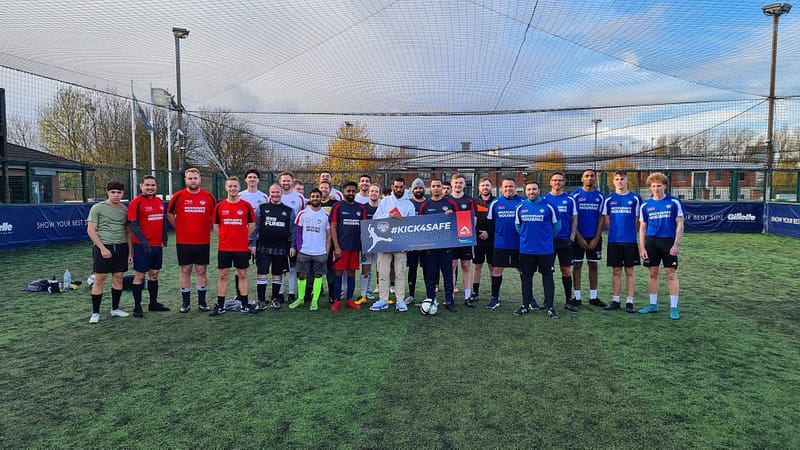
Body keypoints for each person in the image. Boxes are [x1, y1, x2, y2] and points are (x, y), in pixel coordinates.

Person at [168, 168, 216, 313]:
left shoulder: (208, 197)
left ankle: (202, 302)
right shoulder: (178, 196)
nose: (193, 181)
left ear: (200, 179)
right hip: (184, 241)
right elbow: (170, 214)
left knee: (201, 271)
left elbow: (214, 217)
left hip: (202, 241)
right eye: (190, 178)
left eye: (195, 178)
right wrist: (179, 228)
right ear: (185, 180)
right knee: (185, 270)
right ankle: (185, 303)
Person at [638, 172, 684, 320]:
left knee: (671, 273)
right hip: (651, 242)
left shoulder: (674, 202)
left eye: (659, 185)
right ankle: (652, 305)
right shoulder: (646, 205)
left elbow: (680, 223)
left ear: (665, 186)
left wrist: (676, 244)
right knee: (653, 273)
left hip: (668, 242)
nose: (656, 188)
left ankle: (674, 307)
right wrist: (642, 247)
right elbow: (643, 227)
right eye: (653, 186)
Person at [209, 177, 256, 316]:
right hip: (224, 248)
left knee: (242, 274)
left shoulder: (246, 205)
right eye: (230, 186)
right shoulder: (220, 206)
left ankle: (245, 304)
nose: (232, 189)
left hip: (241, 248)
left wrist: (242, 238)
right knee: (223, 275)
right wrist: (224, 237)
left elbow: (252, 225)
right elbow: (215, 226)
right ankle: (221, 305)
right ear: (226, 188)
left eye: (235, 186)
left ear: (238, 188)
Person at [86, 180, 132, 323]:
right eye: (113, 192)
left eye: (119, 192)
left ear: (123, 193)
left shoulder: (125, 210)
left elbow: (128, 232)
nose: (116, 195)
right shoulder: (97, 208)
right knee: (100, 279)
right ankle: (95, 313)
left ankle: (115, 309)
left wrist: (130, 253)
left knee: (118, 278)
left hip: (122, 247)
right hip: (104, 247)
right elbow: (91, 230)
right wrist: (102, 248)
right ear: (108, 192)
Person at [514, 181, 560, 318]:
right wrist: (526, 238)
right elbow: (518, 227)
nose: (531, 192)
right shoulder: (520, 207)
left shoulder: (549, 206)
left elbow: (557, 227)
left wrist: (545, 240)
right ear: (525, 191)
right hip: (526, 250)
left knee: (547, 277)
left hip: (545, 250)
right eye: (528, 189)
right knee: (527, 277)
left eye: (534, 189)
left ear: (539, 190)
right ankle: (525, 305)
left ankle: (550, 307)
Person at [370, 177, 416, 312]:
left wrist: (408, 243)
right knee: (383, 272)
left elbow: (412, 225)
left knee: (400, 272)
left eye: (401, 187)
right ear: (392, 187)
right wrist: (389, 215)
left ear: (404, 187)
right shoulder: (384, 202)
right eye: (396, 187)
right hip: (384, 242)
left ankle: (400, 300)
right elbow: (375, 219)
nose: (399, 189)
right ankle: (383, 300)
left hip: (401, 243)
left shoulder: (409, 204)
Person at [127, 175, 169, 318]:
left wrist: (164, 237)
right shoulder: (136, 202)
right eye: (147, 185)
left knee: (154, 274)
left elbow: (162, 220)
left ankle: (153, 303)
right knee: (139, 275)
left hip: (157, 246)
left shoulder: (159, 201)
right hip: (142, 246)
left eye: (153, 185)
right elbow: (132, 223)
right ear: (141, 186)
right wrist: (143, 241)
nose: (150, 188)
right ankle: (137, 307)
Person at [250, 183, 297, 311]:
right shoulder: (262, 208)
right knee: (262, 274)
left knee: (277, 274)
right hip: (263, 247)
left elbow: (293, 230)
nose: (275, 194)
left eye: (277, 192)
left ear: (281, 193)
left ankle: (275, 299)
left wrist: (293, 246)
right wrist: (253, 244)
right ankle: (261, 301)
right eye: (273, 192)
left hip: (281, 247)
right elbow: (255, 228)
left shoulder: (289, 210)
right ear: (269, 193)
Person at [601, 171, 642, 313]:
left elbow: (638, 220)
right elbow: (607, 220)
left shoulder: (636, 199)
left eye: (622, 179)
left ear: (627, 180)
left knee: (630, 271)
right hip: (614, 241)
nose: (620, 181)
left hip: (630, 240)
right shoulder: (609, 199)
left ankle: (630, 302)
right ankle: (616, 300)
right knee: (616, 271)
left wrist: (630, 231)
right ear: (613, 182)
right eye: (617, 179)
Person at [418, 178, 460, 312]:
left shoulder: (451, 203)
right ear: (430, 188)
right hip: (431, 247)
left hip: (447, 247)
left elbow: (459, 221)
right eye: (433, 186)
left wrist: (452, 216)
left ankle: (449, 301)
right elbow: (420, 226)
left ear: (443, 188)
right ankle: (430, 298)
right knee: (431, 274)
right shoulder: (425, 205)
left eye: (438, 186)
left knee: (447, 274)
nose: (436, 188)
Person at [485, 178, 525, 310]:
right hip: (501, 244)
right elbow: (490, 224)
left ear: (515, 188)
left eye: (511, 187)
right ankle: (495, 298)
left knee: (523, 271)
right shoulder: (495, 203)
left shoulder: (523, 202)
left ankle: (528, 298)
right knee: (496, 270)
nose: (508, 189)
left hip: (519, 244)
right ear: (502, 188)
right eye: (506, 187)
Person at [569, 169, 607, 307]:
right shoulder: (574, 196)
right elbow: (572, 219)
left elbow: (602, 218)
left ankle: (593, 297)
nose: (590, 178)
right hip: (578, 238)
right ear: (582, 179)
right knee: (577, 265)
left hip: (594, 237)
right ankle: (577, 297)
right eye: (587, 176)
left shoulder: (600, 196)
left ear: (595, 179)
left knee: (593, 265)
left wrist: (597, 238)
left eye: (592, 176)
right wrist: (579, 238)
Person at [289, 188, 331, 311]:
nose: (315, 198)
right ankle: (301, 298)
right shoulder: (302, 213)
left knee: (318, 276)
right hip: (305, 251)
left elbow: (329, 235)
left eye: (317, 196)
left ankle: (314, 301)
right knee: (302, 275)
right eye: (313, 196)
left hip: (320, 251)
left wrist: (327, 251)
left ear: (321, 198)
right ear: (310, 198)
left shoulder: (326, 215)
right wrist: (300, 248)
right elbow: (297, 232)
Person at [543, 172, 579, 313]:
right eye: (554, 180)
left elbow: (574, 219)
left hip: (565, 241)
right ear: (550, 182)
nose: (557, 182)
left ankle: (569, 301)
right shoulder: (544, 199)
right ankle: (547, 300)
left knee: (566, 271)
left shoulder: (570, 200)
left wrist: (572, 236)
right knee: (547, 272)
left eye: (560, 180)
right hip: (548, 242)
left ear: (564, 182)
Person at [329, 181, 367, 312]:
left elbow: (364, 229)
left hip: (355, 248)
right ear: (343, 191)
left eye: (352, 191)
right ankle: (337, 301)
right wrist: (337, 247)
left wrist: (364, 248)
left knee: (352, 273)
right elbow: (333, 228)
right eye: (348, 191)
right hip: (341, 248)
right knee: (338, 273)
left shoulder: (361, 208)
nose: (350, 193)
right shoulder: (337, 206)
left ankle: (349, 300)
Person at [236, 169, 269, 300]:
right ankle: (240, 295)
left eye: (255, 177)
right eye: (249, 177)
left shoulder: (264, 197)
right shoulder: (240, 195)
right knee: (241, 267)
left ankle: (261, 297)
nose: (252, 179)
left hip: (259, 238)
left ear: (258, 180)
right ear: (245, 180)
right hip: (242, 237)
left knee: (260, 267)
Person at [450, 173, 477, 306]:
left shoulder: (470, 201)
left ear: (464, 185)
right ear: (451, 184)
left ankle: (467, 296)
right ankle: (451, 297)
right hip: (451, 240)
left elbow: (475, 220)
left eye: (460, 183)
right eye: (456, 182)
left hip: (466, 238)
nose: (458, 185)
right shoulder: (446, 200)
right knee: (452, 266)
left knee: (466, 266)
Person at [279, 171, 305, 306]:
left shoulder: (300, 198)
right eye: (283, 180)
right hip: (278, 237)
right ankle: (279, 293)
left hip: (294, 237)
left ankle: (291, 293)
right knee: (279, 266)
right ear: (280, 182)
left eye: (288, 180)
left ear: (292, 182)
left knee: (293, 265)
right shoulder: (275, 195)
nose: (286, 183)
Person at [356, 183, 381, 304]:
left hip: (380, 244)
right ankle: (363, 294)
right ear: (369, 193)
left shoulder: (383, 207)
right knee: (366, 269)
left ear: (379, 194)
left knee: (381, 268)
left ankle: (382, 293)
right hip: (367, 243)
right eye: (372, 191)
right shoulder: (362, 208)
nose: (374, 193)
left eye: (376, 191)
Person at [404, 177, 428, 306]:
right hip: (412, 244)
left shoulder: (429, 203)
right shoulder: (408, 203)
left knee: (427, 269)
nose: (418, 190)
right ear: (412, 190)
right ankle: (411, 295)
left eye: (420, 188)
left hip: (426, 245)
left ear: (424, 189)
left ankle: (428, 295)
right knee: (412, 269)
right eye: (416, 188)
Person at [472, 177, 495, 305]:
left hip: (492, 240)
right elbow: (470, 221)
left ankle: (494, 293)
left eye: (487, 185)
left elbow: (499, 221)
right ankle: (475, 292)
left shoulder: (496, 202)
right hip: (478, 239)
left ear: (490, 187)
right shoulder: (474, 202)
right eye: (482, 185)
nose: (485, 187)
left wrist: (489, 233)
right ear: (479, 188)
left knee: (493, 267)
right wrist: (478, 233)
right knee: (477, 266)